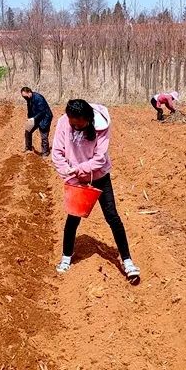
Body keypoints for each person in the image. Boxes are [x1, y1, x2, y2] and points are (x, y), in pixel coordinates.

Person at [51, 99, 140, 282]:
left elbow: (100, 159)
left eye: (78, 124)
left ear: (88, 119)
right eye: (72, 123)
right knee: (73, 217)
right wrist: (72, 177)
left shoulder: (101, 125)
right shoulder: (63, 122)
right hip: (74, 178)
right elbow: (57, 153)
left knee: (112, 217)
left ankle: (127, 261)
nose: (74, 127)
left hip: (99, 176)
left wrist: (77, 169)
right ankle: (66, 256)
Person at [21, 86, 53, 155]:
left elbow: (42, 112)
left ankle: (45, 153)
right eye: (23, 97)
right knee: (28, 130)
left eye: (25, 96)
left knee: (44, 134)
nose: (24, 98)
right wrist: (29, 118)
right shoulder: (29, 99)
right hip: (36, 118)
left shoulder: (39, 98)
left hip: (45, 118)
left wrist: (33, 118)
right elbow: (29, 110)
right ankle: (28, 148)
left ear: (29, 92)